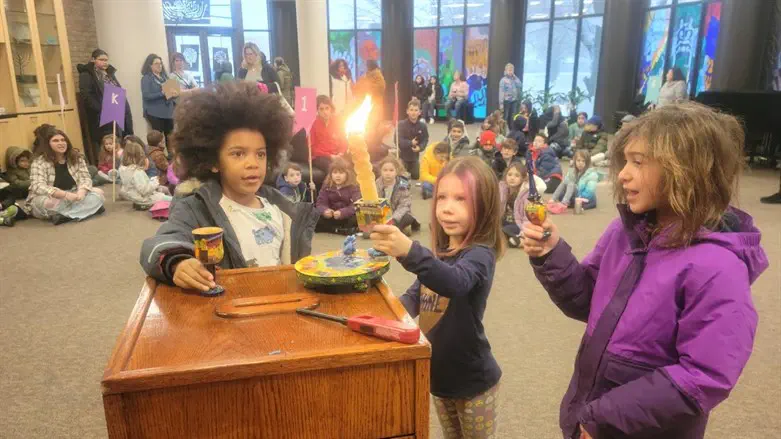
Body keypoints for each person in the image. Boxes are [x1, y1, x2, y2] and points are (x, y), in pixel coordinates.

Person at [521, 102, 767, 439]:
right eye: (626, 161)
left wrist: (603, 418)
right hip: (592, 416)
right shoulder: (625, 232)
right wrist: (551, 254)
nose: (622, 174)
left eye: (638, 162)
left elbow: (702, 377)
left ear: (685, 170)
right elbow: (587, 301)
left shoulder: (719, 267)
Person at [369, 156, 503, 439]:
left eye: (461, 199)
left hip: (474, 380)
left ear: (485, 205)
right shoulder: (441, 252)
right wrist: (383, 315)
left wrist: (409, 250)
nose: (447, 208)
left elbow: (454, 283)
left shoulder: (480, 255)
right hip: (438, 377)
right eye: (441, 197)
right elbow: (415, 297)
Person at [140, 82, 319, 290]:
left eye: (260, 154)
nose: (252, 163)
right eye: (238, 154)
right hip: (227, 311)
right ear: (213, 161)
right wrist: (178, 262)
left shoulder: (283, 208)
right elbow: (158, 244)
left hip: (279, 306)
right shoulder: (197, 208)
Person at [25, 129, 105, 224]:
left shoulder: (77, 157)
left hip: (73, 192)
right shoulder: (39, 162)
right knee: (52, 203)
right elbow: (37, 186)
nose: (61, 143)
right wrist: (64, 195)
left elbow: (85, 178)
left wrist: (81, 192)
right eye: (56, 141)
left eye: (63, 140)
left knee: (99, 193)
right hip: (48, 197)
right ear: (47, 144)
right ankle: (89, 210)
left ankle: (65, 216)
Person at [77, 49, 134, 159]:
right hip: (101, 116)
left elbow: (117, 90)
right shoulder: (86, 74)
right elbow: (86, 95)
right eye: (101, 60)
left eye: (106, 60)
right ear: (93, 60)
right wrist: (101, 109)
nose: (105, 62)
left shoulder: (109, 74)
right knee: (107, 144)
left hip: (115, 110)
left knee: (118, 140)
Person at [499, 161, 546, 248]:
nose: (512, 178)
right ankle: (510, 239)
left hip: (520, 224)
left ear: (523, 178)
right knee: (494, 228)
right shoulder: (502, 188)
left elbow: (528, 217)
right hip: (505, 221)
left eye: (517, 176)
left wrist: (524, 232)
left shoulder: (526, 194)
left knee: (503, 231)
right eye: (509, 175)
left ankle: (521, 239)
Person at [118, 140, 171, 208]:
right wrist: (155, 182)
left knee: (164, 189)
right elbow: (145, 190)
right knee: (172, 200)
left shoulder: (122, 169)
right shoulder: (137, 171)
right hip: (145, 199)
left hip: (134, 196)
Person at [315, 157, 361, 235]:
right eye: (335, 173)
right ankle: (338, 230)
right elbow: (320, 203)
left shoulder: (354, 186)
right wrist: (325, 211)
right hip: (332, 216)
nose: (338, 176)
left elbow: (356, 205)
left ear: (347, 174)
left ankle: (338, 229)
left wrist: (342, 213)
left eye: (341, 173)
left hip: (347, 217)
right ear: (331, 174)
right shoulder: (326, 185)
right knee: (315, 216)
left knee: (357, 218)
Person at [375, 156, 420, 234]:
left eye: (391, 170)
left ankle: (395, 228)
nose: (388, 173)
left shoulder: (402, 185)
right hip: (383, 214)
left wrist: (394, 219)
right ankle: (396, 229)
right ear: (380, 171)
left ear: (397, 171)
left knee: (407, 217)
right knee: (367, 228)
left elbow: (404, 205)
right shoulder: (377, 183)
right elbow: (374, 201)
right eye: (385, 170)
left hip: (398, 214)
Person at [141, 53, 176, 145]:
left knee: (171, 137)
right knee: (158, 139)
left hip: (169, 112)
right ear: (150, 65)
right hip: (155, 113)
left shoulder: (165, 77)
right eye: (156, 63)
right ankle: (158, 157)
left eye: (160, 63)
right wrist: (162, 93)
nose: (159, 66)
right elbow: (146, 96)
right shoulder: (146, 78)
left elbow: (172, 93)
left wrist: (174, 93)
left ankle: (171, 157)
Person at [310, 95, 347, 173]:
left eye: (327, 108)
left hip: (337, 155)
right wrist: (330, 156)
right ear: (317, 110)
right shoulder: (312, 124)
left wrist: (341, 153)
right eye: (321, 109)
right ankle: (330, 185)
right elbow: (313, 148)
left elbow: (343, 141)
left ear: (331, 109)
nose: (325, 112)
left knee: (350, 166)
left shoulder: (337, 121)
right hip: (320, 157)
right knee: (333, 168)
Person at [397, 98, 429, 181]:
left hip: (414, 157)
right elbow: (397, 140)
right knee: (401, 177)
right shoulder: (401, 124)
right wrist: (410, 143)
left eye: (416, 110)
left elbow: (425, 139)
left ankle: (409, 170)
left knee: (416, 176)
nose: (413, 112)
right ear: (407, 111)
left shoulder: (422, 126)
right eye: (411, 110)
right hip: (402, 157)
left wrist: (420, 147)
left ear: (420, 112)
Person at [354, 59, 386, 126]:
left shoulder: (377, 75)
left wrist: (366, 87)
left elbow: (381, 87)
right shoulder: (368, 74)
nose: (364, 67)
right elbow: (360, 85)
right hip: (367, 102)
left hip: (374, 103)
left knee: (373, 123)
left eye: (365, 65)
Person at [499, 63, 522, 128]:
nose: (510, 72)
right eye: (509, 70)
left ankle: (512, 130)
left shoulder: (515, 79)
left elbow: (520, 85)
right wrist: (501, 104)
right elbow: (501, 92)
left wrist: (515, 78)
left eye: (512, 70)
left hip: (514, 100)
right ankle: (503, 131)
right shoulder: (503, 80)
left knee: (513, 116)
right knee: (505, 117)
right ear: (505, 71)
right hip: (506, 101)